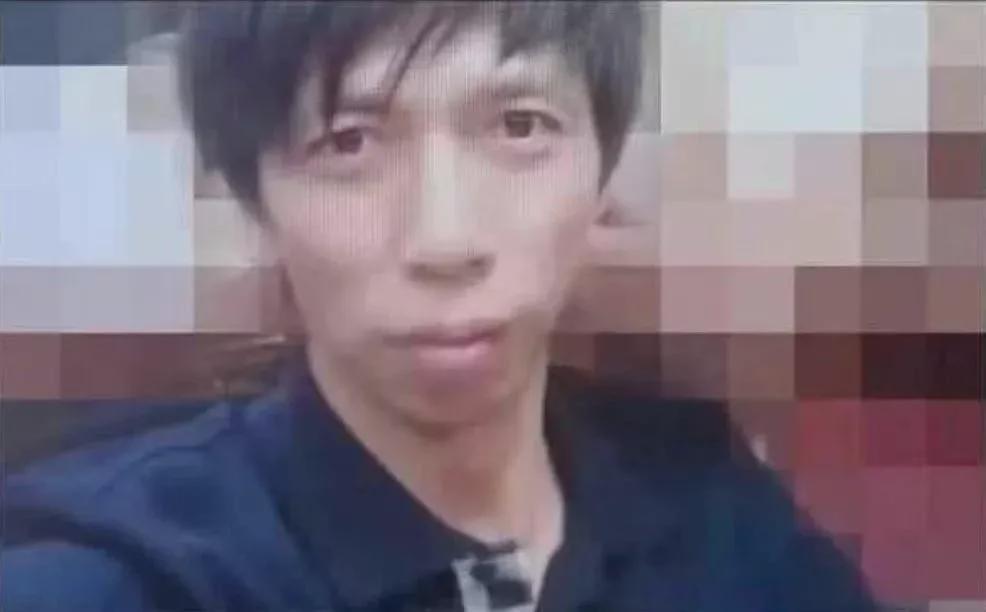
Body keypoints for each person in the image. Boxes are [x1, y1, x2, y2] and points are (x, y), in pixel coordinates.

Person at [1, 3, 880, 610]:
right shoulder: (131, 573)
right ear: (255, 200)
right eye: (348, 142)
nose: (446, 238)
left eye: (520, 126)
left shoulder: (704, 497)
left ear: (603, 172)